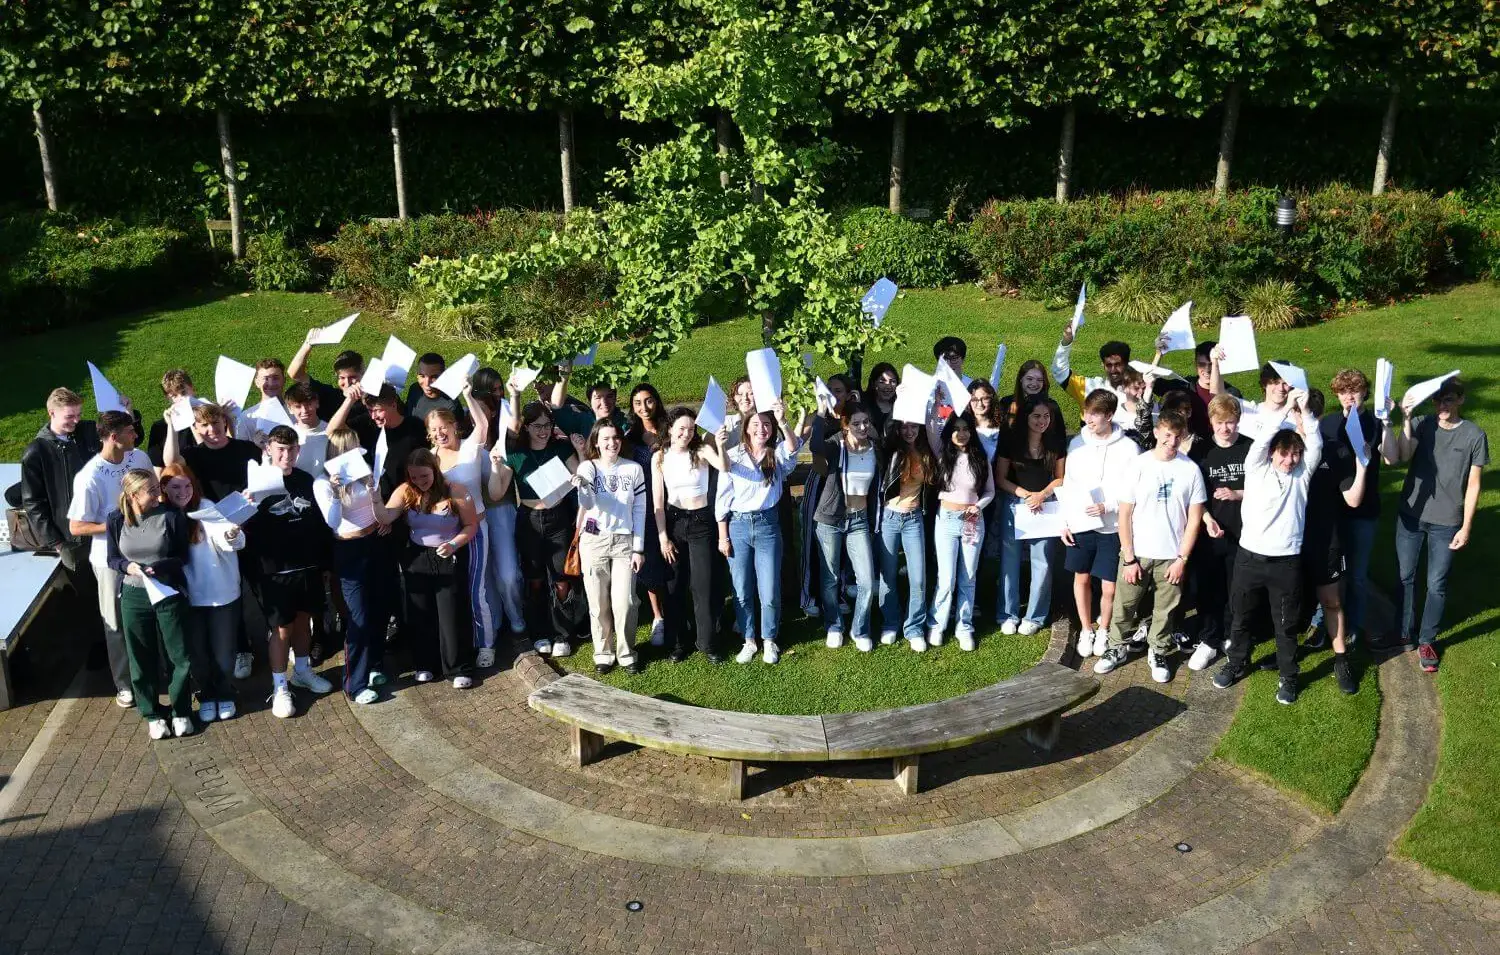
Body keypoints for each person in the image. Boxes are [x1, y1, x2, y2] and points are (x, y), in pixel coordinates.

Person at [1211, 391, 1322, 703]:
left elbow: (1315, 443)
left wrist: (1304, 411)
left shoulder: (1303, 475)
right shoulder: (1257, 467)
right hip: (1249, 559)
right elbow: (1263, 438)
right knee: (1240, 617)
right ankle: (1236, 662)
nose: (1290, 460)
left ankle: (1288, 677)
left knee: (1285, 627)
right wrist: (1286, 406)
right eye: (1284, 454)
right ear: (1273, 453)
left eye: (1295, 455)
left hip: (1286, 564)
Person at [1381, 377, 1487, 672]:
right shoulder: (1424, 424)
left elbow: (1474, 485)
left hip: (1447, 522)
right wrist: (1402, 417)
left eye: (1448, 400)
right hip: (1411, 516)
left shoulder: (1474, 436)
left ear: (1461, 400)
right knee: (1405, 576)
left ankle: (1427, 640)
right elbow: (1399, 456)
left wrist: (1465, 527)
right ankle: (1403, 632)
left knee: (1436, 584)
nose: (1442, 406)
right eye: (1438, 401)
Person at [1093, 408, 1207, 683]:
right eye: (1167, 435)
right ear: (1157, 432)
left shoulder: (1190, 470)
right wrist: (1129, 557)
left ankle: (1158, 651)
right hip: (1138, 554)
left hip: (1171, 556)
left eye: (1177, 437)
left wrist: (1182, 559)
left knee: (1165, 611)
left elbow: (1194, 520)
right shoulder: (1139, 465)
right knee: (1124, 606)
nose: (1171, 442)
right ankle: (1116, 648)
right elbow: (1124, 514)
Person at [242, 426, 335, 718]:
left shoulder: (306, 480)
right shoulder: (256, 484)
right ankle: (280, 685)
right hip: (274, 572)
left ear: (298, 450)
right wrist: (245, 507)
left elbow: (320, 525)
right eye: (280, 449)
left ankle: (303, 671)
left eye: (291, 449)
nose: (286, 455)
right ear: (268, 448)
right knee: (281, 629)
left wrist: (324, 564)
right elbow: (243, 530)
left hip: (307, 567)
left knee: (304, 621)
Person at [66, 409, 153, 708]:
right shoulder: (89, 477)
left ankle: (153, 670)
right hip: (108, 561)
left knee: (151, 612)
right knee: (115, 623)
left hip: (146, 550)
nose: (135, 435)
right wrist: (120, 522)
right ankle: (124, 683)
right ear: (114, 437)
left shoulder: (138, 458)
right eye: (130, 431)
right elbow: (77, 526)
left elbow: (153, 493)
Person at [106, 469, 196, 739]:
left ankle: (181, 711)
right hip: (134, 595)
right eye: (153, 491)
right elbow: (112, 559)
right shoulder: (115, 519)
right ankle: (153, 713)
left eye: (158, 488)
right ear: (134, 495)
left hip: (167, 591)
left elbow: (183, 556)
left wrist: (160, 567)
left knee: (178, 655)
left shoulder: (171, 516)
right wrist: (127, 566)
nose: (160, 494)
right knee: (140, 655)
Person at [384, 448, 480, 687]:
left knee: (451, 613)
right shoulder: (406, 491)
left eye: (424, 476)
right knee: (420, 612)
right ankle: (425, 664)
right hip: (417, 556)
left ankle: (458, 668)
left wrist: (453, 544)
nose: (419, 482)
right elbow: (385, 517)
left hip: (448, 553)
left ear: (434, 471)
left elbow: (471, 525)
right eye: (414, 477)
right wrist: (374, 496)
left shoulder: (455, 491)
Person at [716, 402, 802, 664]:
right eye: (755, 424)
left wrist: (783, 421)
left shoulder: (776, 456)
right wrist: (723, 536)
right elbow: (722, 499)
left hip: (767, 526)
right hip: (739, 526)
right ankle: (749, 639)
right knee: (741, 588)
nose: (761, 429)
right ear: (746, 428)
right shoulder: (734, 456)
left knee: (769, 588)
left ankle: (769, 640)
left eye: (766, 424)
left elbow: (793, 448)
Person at [160, 462, 245, 722]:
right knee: (197, 652)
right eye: (175, 486)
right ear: (164, 488)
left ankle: (225, 693)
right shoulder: (162, 515)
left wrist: (231, 534)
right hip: (187, 598)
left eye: (187, 485)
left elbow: (228, 538)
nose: (183, 491)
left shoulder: (206, 508)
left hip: (220, 594)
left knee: (223, 652)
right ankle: (206, 694)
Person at [313, 427, 393, 703]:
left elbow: (376, 507)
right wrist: (336, 491)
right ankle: (354, 684)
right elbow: (333, 522)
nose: (356, 452)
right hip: (349, 549)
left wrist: (374, 492)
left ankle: (375, 664)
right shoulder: (322, 483)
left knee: (380, 606)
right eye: (349, 448)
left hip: (376, 542)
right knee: (357, 615)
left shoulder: (364, 472)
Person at [1061, 390, 1141, 658]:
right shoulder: (1076, 445)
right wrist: (1065, 522)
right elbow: (1068, 486)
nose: (1088, 418)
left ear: (1109, 415)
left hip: (1113, 527)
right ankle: (1086, 629)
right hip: (1082, 525)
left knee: (1109, 585)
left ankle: (1104, 629)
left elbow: (1134, 491)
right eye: (1086, 412)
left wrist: (1108, 507)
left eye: (1095, 413)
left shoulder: (1129, 449)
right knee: (1081, 578)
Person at [507, 399, 589, 658]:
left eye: (548, 424)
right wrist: (498, 466)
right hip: (529, 518)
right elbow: (497, 490)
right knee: (535, 580)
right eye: (537, 425)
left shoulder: (561, 448)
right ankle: (539, 632)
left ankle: (562, 633)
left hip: (558, 517)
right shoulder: (516, 454)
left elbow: (582, 477)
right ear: (526, 427)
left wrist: (581, 453)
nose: (543, 430)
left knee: (562, 578)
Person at [21, 389, 104, 642]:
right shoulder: (37, 452)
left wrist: (127, 412)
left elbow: (125, 435)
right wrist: (56, 542)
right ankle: (98, 648)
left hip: (99, 529)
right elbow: (33, 502)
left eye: (79, 414)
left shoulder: (86, 433)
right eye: (70, 416)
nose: (76, 421)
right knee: (89, 598)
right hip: (72, 538)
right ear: (51, 413)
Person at [1300, 390, 1364, 694]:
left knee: (1332, 601)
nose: (1303, 418)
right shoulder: (1284, 448)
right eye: (1299, 412)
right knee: (1288, 601)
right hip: (1289, 540)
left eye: (1310, 412)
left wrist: (1363, 463)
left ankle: (1341, 660)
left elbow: (1352, 499)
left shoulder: (1336, 451)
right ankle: (1289, 659)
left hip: (1327, 538)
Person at [572, 420, 649, 673]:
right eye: (605, 438)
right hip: (594, 541)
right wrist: (583, 485)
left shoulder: (633, 469)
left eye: (615, 437)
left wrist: (638, 548)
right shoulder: (588, 467)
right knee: (598, 602)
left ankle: (627, 652)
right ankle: (603, 653)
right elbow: (588, 502)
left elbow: (639, 510)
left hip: (624, 543)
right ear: (596, 442)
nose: (611, 443)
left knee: (625, 601)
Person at [653, 407, 727, 664]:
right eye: (681, 428)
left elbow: (724, 467)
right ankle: (676, 642)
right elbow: (658, 503)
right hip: (674, 522)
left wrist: (718, 444)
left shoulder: (701, 451)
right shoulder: (659, 457)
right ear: (670, 428)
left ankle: (707, 642)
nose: (686, 433)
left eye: (691, 429)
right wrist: (663, 537)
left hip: (701, 521)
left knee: (703, 585)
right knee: (674, 585)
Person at [1186, 394, 1253, 672]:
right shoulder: (1201, 453)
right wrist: (1206, 517)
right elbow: (1192, 495)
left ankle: (1230, 636)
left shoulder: (1250, 448)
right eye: (1220, 422)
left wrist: (1238, 493)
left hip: (1244, 532)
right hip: (1210, 534)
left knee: (1235, 589)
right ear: (1211, 422)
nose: (1226, 428)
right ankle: (1208, 639)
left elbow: (1267, 489)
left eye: (1231, 422)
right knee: (1208, 589)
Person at [427, 400, 497, 667]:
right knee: (452, 591)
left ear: (455, 426)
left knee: (475, 588)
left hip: (477, 530)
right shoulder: (431, 458)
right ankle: (460, 643)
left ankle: (486, 645)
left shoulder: (470, 448)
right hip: (447, 535)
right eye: (434, 430)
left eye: (443, 427)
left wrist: (467, 394)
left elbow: (483, 424)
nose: (440, 433)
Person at [812, 402, 880, 652]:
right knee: (829, 578)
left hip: (859, 520)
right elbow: (815, 446)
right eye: (856, 423)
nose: (862, 427)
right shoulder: (836, 446)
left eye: (866, 422)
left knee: (866, 581)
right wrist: (820, 414)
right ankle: (834, 625)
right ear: (845, 425)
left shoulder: (875, 448)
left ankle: (860, 628)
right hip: (830, 519)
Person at [996, 395, 1066, 635]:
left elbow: (1060, 477)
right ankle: (1007, 613)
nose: (1042, 421)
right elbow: (1000, 478)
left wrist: (1042, 495)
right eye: (1036, 416)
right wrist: (1027, 495)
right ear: (1026, 417)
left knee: (1043, 562)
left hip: (1045, 506)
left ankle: (1035, 616)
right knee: (1010, 561)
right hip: (1015, 504)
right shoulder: (1011, 442)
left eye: (1046, 416)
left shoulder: (1055, 443)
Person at [469, 367, 527, 648]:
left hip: (500, 510)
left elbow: (515, 426)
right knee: (485, 578)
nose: (479, 415)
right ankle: (494, 624)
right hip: (472, 517)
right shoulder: (463, 438)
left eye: (486, 408)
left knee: (507, 573)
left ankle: (517, 619)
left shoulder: (502, 439)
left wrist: (515, 395)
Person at [1324, 369, 1381, 647]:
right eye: (1343, 391)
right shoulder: (1328, 424)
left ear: (1364, 393)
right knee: (1329, 572)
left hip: (1364, 511)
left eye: (1354, 391)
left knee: (1357, 575)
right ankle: (1322, 623)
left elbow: (1393, 457)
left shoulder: (1375, 423)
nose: (1349, 396)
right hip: (1332, 512)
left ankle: (1355, 625)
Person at [929, 414, 995, 650]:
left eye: (966, 429)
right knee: (946, 579)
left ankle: (964, 626)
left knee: (968, 577)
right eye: (956, 429)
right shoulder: (942, 455)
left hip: (972, 521)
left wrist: (978, 506)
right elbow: (929, 427)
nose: (961, 433)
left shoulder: (980, 458)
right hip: (946, 520)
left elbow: (990, 491)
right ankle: (937, 624)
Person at [877, 418, 935, 651]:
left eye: (914, 426)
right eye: (905, 426)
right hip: (890, 518)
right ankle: (890, 622)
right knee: (888, 575)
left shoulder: (927, 451)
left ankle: (914, 627)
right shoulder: (891, 449)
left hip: (914, 519)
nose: (909, 431)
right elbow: (884, 435)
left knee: (918, 578)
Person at [625, 384, 671, 645]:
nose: (644, 407)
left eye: (649, 401)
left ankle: (677, 610)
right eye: (638, 403)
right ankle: (658, 616)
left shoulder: (670, 431)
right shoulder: (630, 439)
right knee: (652, 561)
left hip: (675, 503)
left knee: (675, 560)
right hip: (646, 508)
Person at [164, 403, 260, 503]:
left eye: (215, 422)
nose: (212, 429)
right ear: (196, 428)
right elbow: (171, 462)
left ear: (224, 421)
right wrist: (171, 426)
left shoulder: (247, 448)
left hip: (250, 508)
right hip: (213, 513)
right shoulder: (194, 454)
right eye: (204, 425)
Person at [288, 335, 370, 432]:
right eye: (342, 378)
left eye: (353, 377)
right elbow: (295, 374)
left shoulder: (372, 402)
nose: (347, 383)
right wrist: (308, 344)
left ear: (363, 374)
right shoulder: (329, 395)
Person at [1052, 320, 1132, 407]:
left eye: (1118, 364)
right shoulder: (1090, 388)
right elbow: (1059, 371)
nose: (1113, 370)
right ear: (1103, 365)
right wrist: (1066, 341)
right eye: (1109, 365)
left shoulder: (1139, 391)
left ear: (1127, 364)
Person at [145, 369, 200, 466]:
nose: (181, 399)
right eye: (174, 396)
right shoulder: (159, 428)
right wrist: (171, 425)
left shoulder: (213, 416)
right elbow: (159, 471)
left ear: (193, 389)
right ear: (168, 398)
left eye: (183, 392)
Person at [406, 353, 468, 426]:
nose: (427, 383)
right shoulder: (415, 389)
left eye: (433, 377)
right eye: (422, 376)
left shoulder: (450, 406)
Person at [283, 383, 329, 475]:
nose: (304, 410)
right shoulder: (286, 436)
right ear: (290, 409)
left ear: (317, 403)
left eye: (308, 404)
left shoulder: (331, 430)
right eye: (298, 406)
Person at [865, 363, 900, 437]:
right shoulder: (864, 408)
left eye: (892, 381)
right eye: (882, 381)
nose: (888, 386)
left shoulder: (901, 406)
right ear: (873, 383)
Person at [721, 377, 756, 449]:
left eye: (750, 393)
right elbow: (703, 445)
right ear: (733, 398)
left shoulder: (766, 424)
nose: (745, 398)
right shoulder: (725, 422)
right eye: (740, 394)